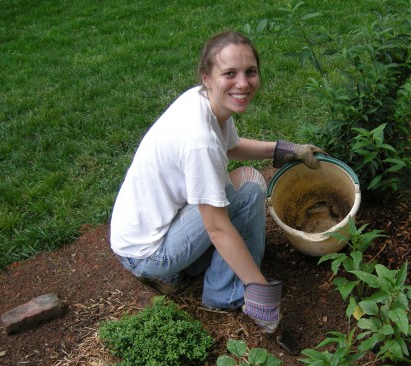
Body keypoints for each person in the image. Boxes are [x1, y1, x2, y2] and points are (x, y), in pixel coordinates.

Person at [110, 31, 326, 336]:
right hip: (148, 252)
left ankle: (182, 272)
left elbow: (231, 146)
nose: (243, 83)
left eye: (250, 72)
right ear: (207, 77)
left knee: (236, 186)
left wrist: (287, 149)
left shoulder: (203, 102)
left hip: (139, 233)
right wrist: (261, 292)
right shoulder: (199, 140)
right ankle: (226, 292)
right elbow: (217, 228)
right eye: (230, 74)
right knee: (249, 190)